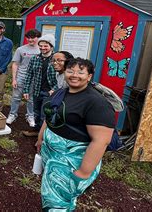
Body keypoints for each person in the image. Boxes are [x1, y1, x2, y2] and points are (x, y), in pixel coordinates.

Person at [36, 58, 114, 210]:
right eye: (70, 71)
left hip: (71, 160)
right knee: (57, 196)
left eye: (80, 72)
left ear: (89, 76)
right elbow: (50, 116)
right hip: (52, 155)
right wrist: (41, 138)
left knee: (56, 201)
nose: (74, 75)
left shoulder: (95, 102)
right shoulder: (61, 92)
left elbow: (101, 140)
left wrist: (83, 173)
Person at [22, 34, 58, 136]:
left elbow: (62, 77)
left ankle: (43, 136)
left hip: (50, 92)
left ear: (51, 46)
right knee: (36, 112)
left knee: (45, 114)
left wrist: (54, 89)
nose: (42, 48)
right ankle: (36, 131)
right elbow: (29, 75)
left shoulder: (56, 59)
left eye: (45, 46)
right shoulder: (35, 58)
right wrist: (26, 90)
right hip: (37, 90)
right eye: (41, 45)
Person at [6, 29, 41, 125]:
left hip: (34, 79)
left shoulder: (41, 50)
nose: (30, 40)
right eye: (28, 38)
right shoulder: (21, 49)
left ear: (38, 38)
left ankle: (30, 116)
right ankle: (13, 114)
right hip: (21, 77)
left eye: (33, 38)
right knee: (16, 97)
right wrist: (14, 79)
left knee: (31, 99)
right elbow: (15, 64)